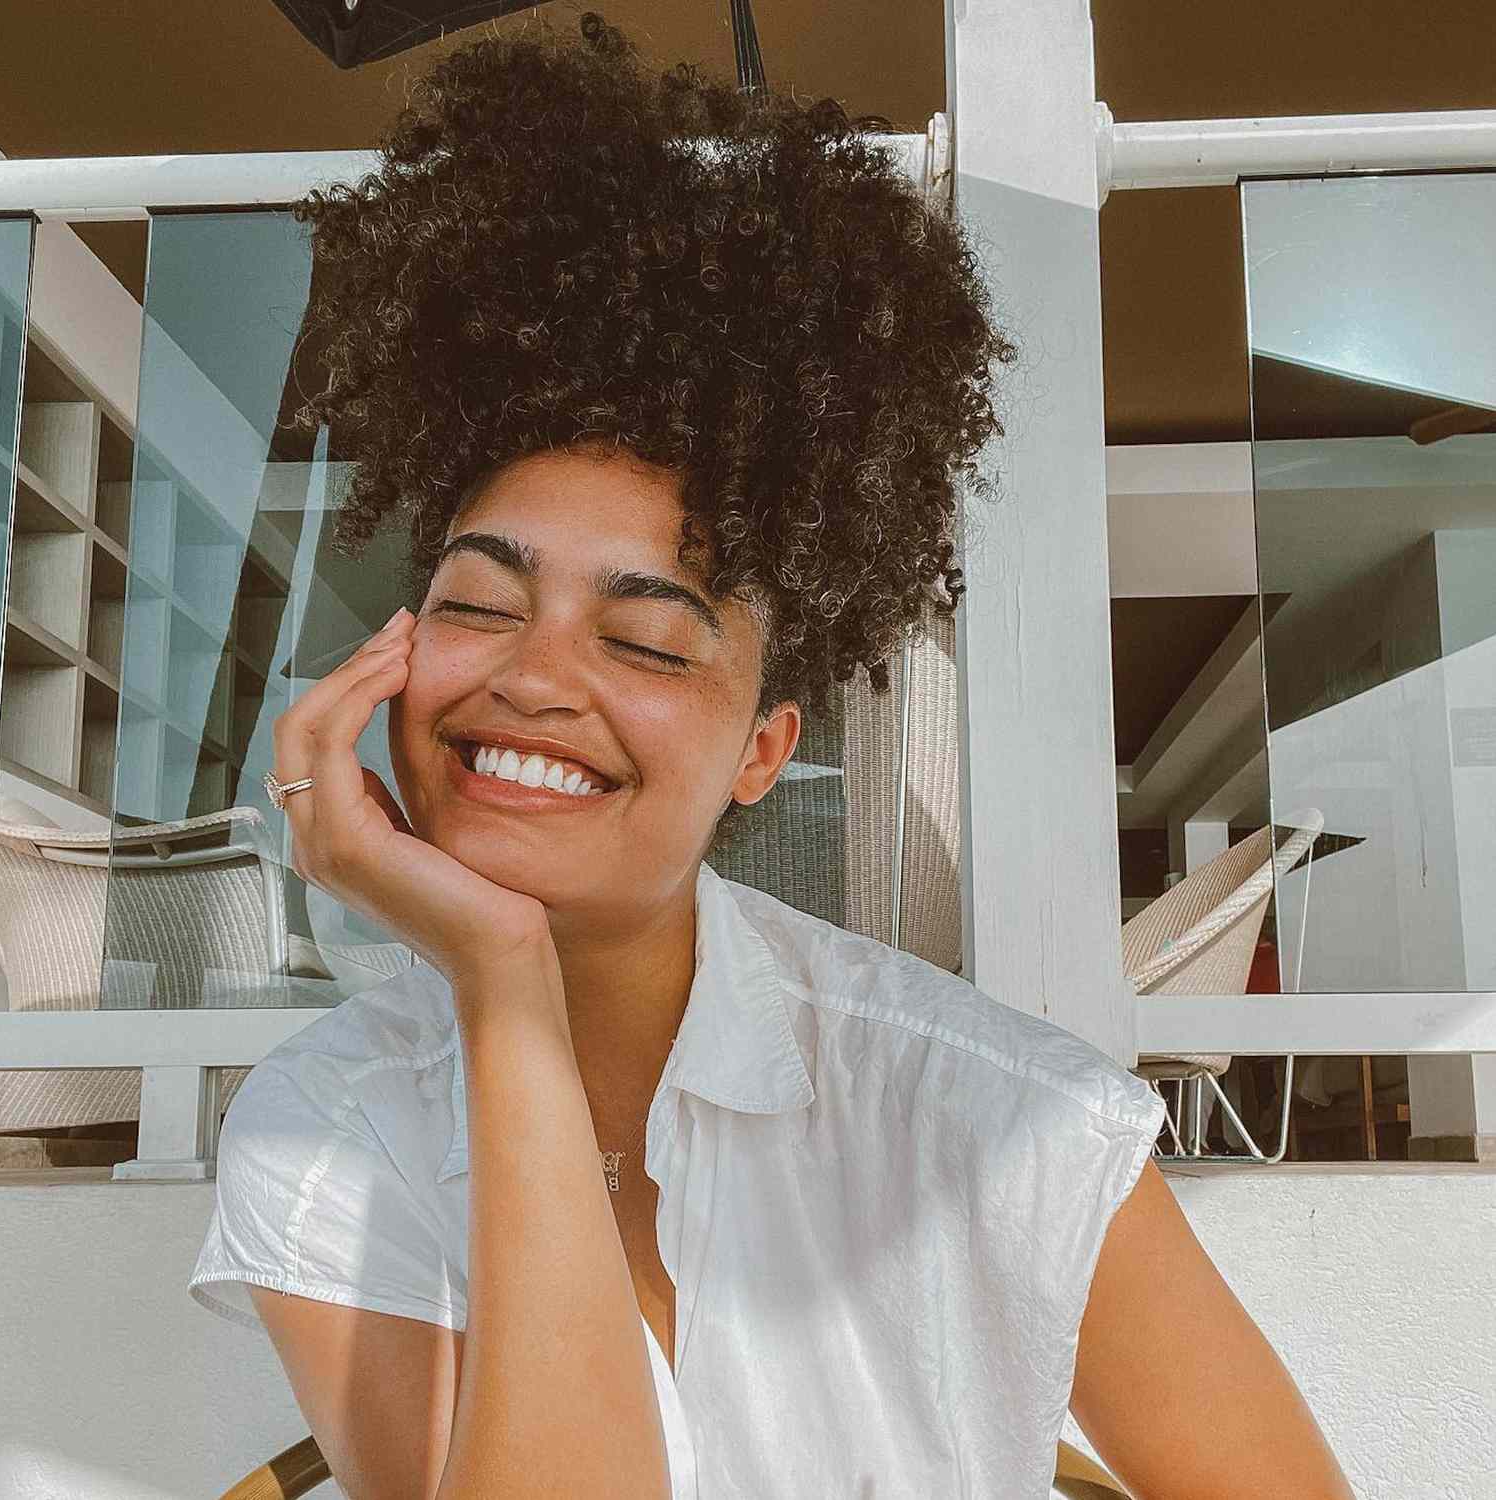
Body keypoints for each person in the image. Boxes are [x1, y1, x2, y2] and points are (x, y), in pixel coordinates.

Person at [187, 10, 1358, 1498]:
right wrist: (502, 988)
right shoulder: (327, 1127)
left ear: (764, 751)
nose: (537, 678)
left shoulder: (1006, 1124)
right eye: (481, 604)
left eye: (647, 640)